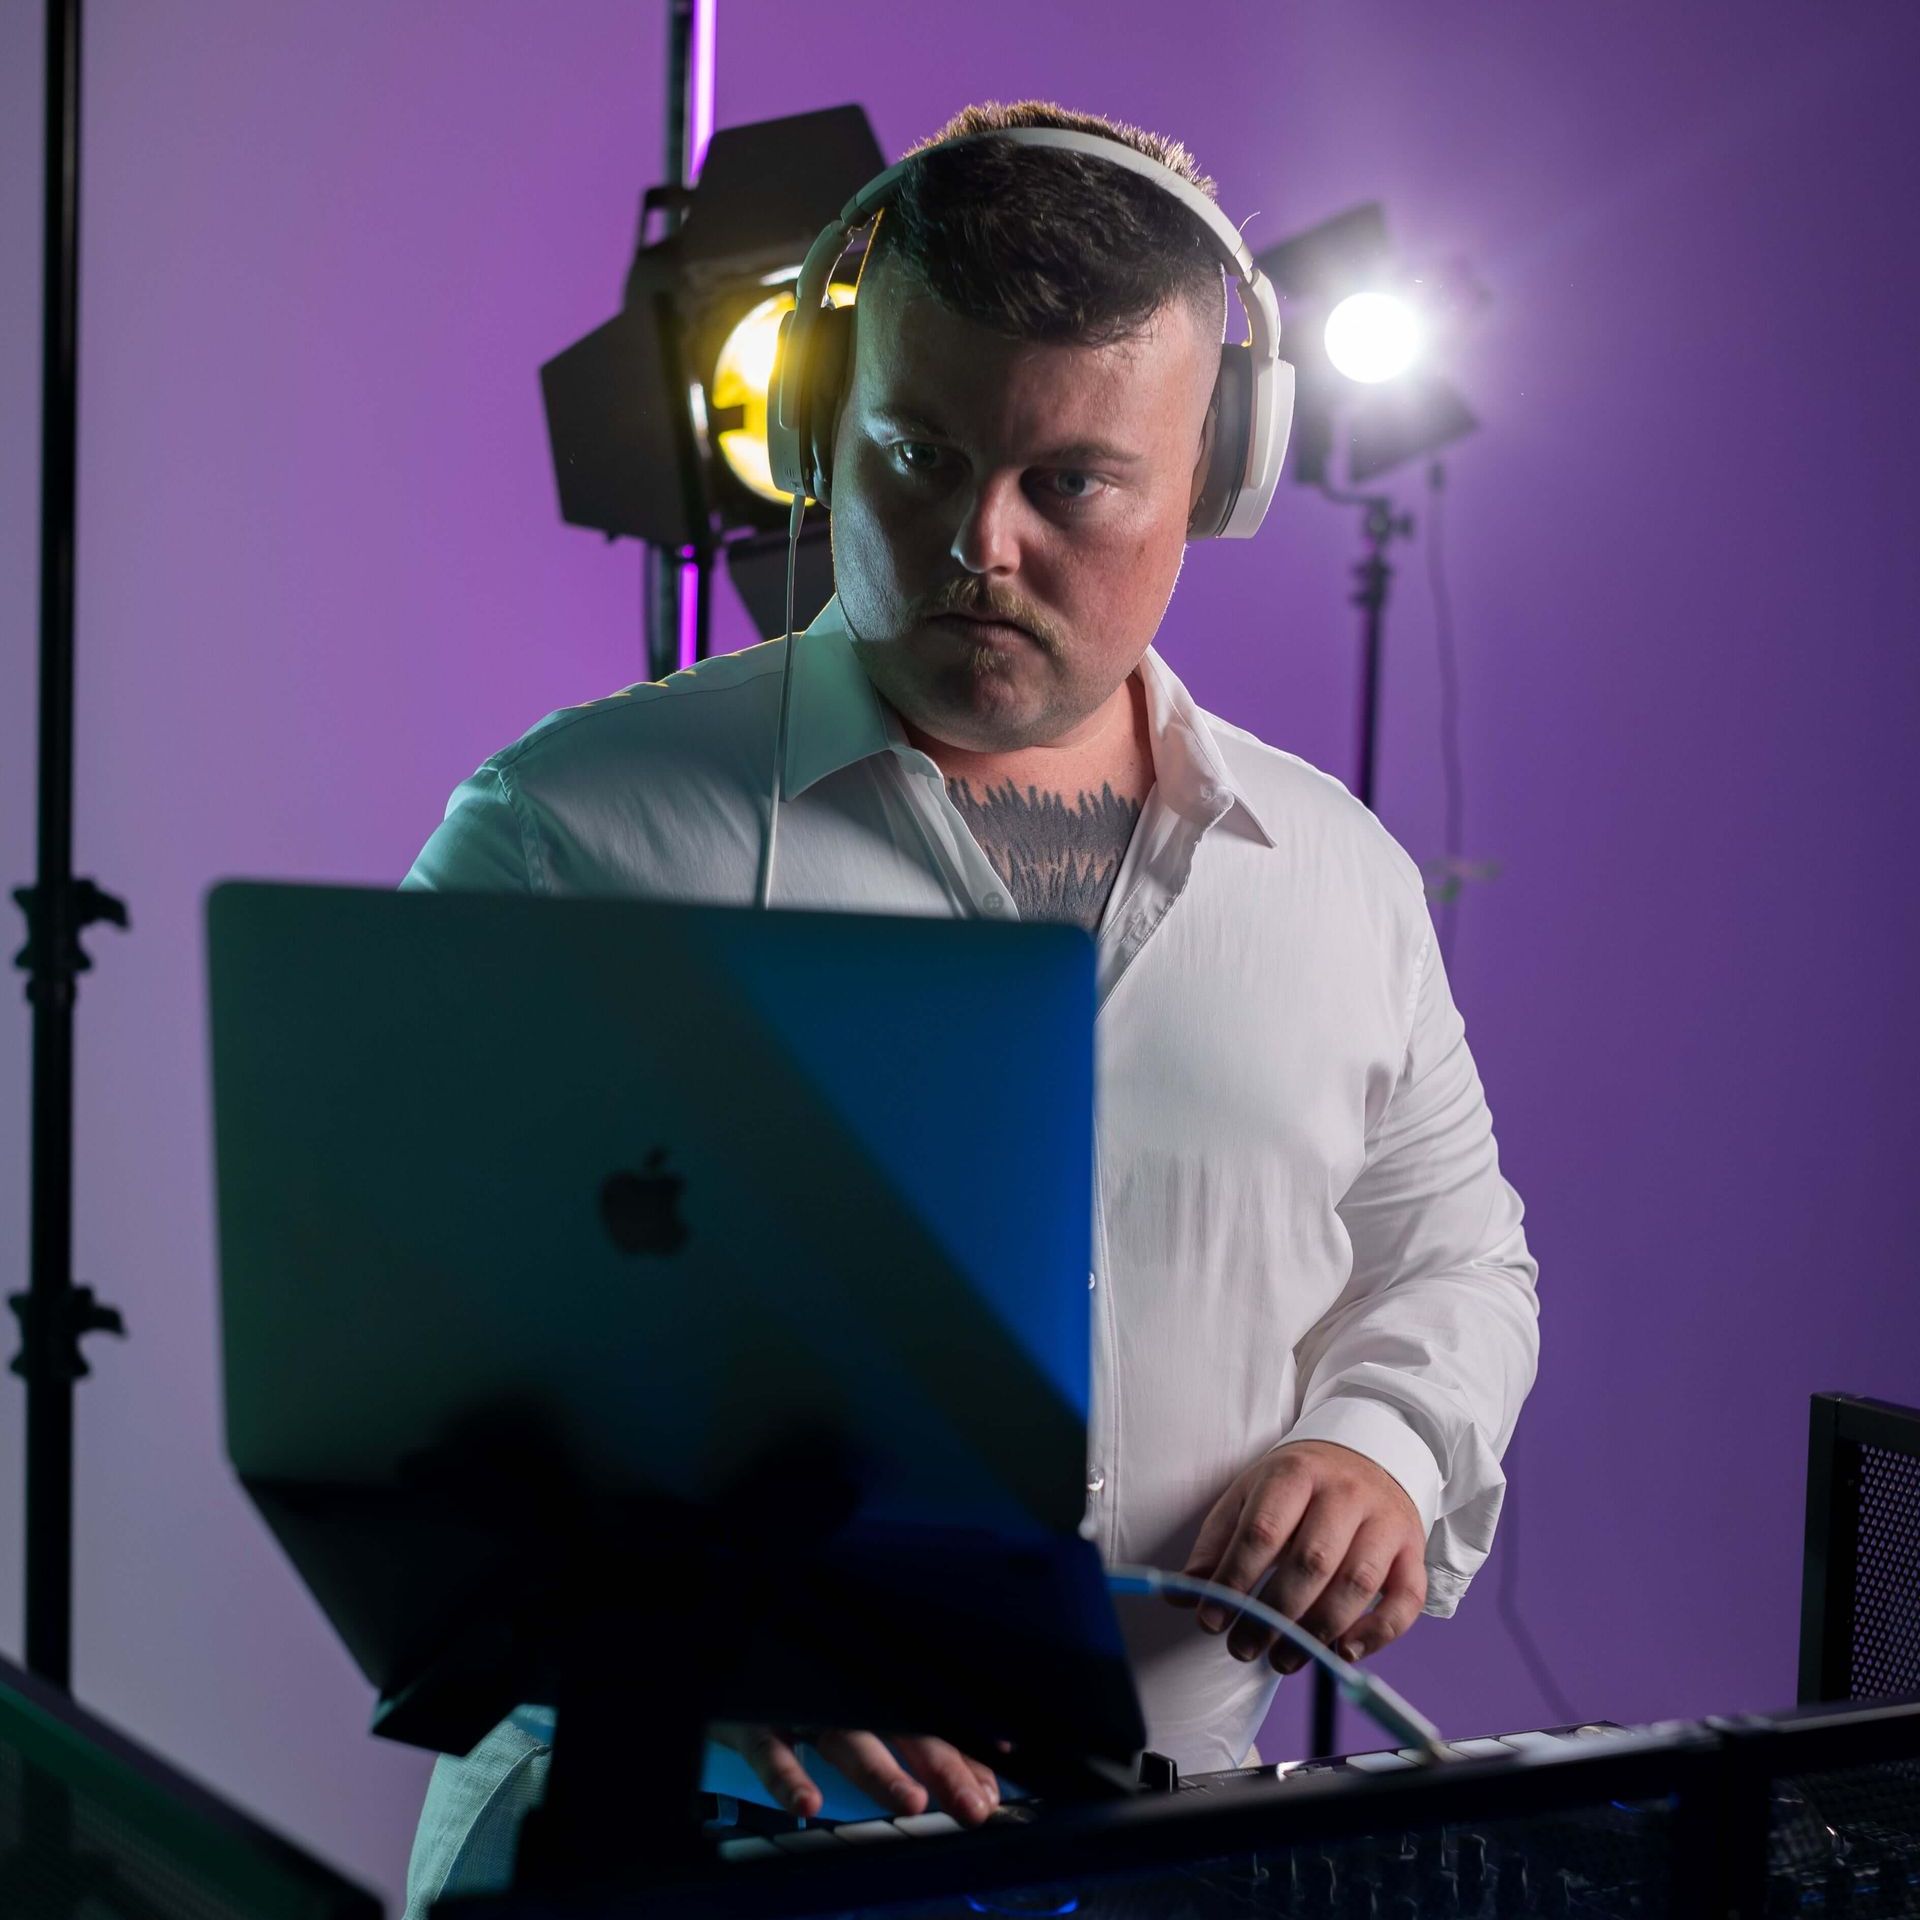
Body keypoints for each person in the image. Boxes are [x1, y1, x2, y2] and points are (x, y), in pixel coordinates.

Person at [399, 98, 1539, 1912]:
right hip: (658, 1846)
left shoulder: (1340, 881)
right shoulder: (569, 830)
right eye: (916, 454)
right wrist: (674, 1612)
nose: (972, 546)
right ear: (814, 428)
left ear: (1215, 478)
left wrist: (1380, 1444)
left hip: (1169, 1849)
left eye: (1070, 481)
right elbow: (387, 1338)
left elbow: (1452, 1261)